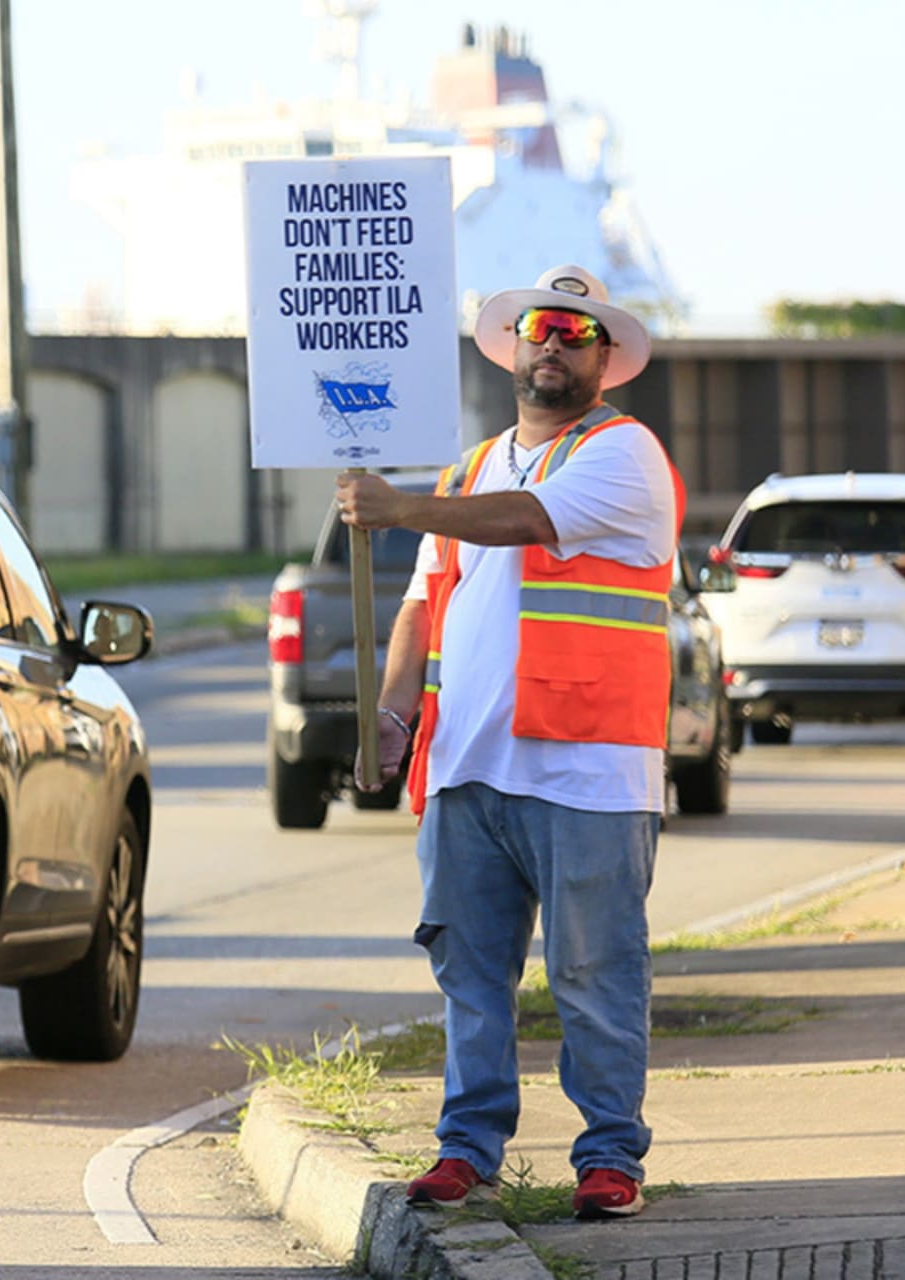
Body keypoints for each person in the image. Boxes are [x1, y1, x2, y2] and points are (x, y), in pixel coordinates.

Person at [335, 264, 683, 1221]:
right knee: (470, 974)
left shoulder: (623, 455)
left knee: (594, 971)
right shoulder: (469, 467)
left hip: (589, 768)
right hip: (466, 767)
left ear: (605, 358)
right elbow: (420, 606)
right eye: (543, 327)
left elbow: (526, 523)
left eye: (579, 334)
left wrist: (397, 505)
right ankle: (467, 1149)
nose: (557, 345)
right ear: (515, 344)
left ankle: (611, 1157)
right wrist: (395, 717)